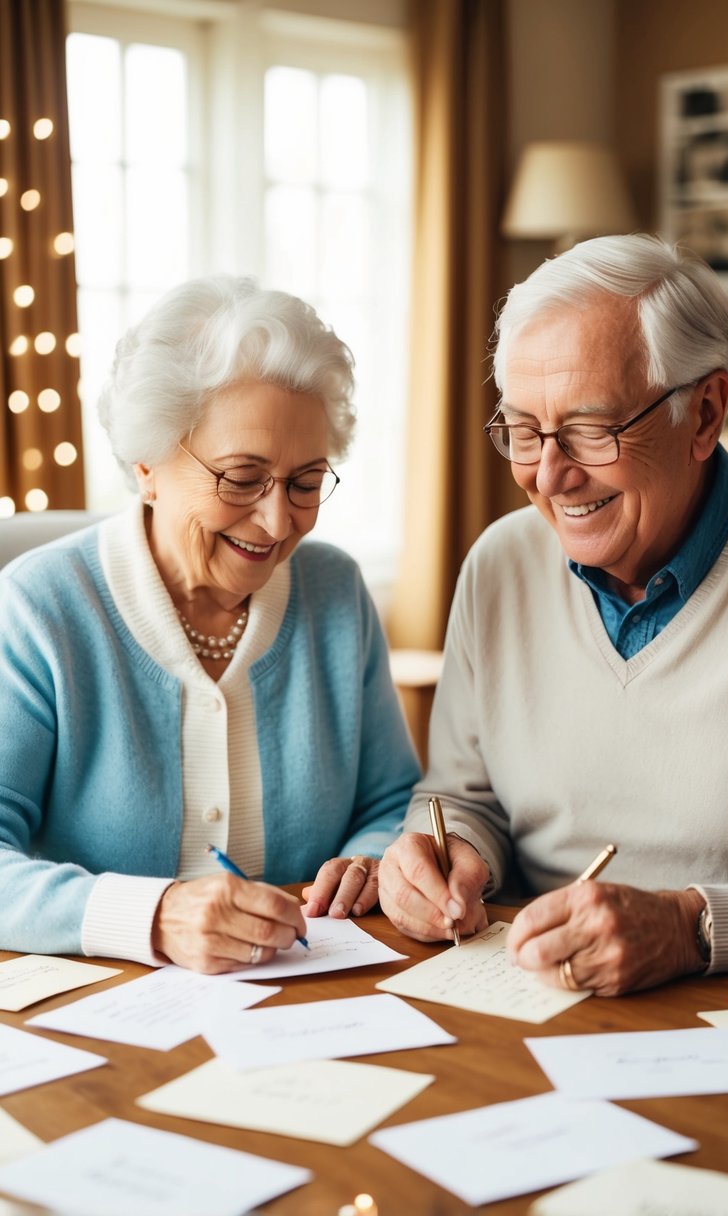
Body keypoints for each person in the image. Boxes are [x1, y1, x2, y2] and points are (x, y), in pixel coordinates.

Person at [379, 233, 728, 996]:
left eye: (591, 428)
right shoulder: (499, 564)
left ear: (704, 413)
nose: (549, 475)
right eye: (522, 429)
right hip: (530, 996)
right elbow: (463, 798)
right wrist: (440, 853)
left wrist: (692, 928)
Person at [0, 275, 420, 973]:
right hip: (98, 1010)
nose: (277, 520)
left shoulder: (336, 594)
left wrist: (371, 861)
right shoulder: (40, 608)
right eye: (241, 477)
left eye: (305, 482)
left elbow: (391, 800)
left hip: (311, 993)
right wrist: (154, 917)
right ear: (147, 467)